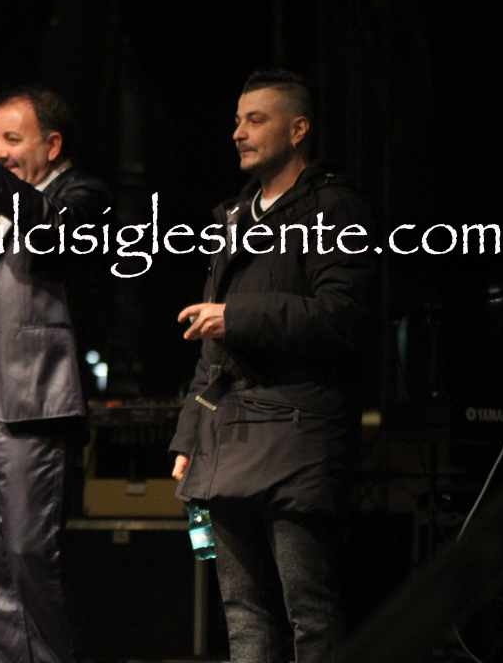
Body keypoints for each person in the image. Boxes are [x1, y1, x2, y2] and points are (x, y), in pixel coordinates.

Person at [168, 69, 375, 663]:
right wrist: (189, 434)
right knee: (243, 613)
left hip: (298, 430)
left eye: (256, 120)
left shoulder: (335, 207)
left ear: (298, 129)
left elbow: (341, 317)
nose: (239, 132)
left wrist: (237, 316)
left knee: (309, 608)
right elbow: (212, 347)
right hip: (228, 436)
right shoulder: (232, 215)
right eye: (237, 121)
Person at [0, 85, 111, 663]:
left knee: (32, 558)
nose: (0, 151)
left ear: (52, 145)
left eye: (13, 139)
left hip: (31, 404)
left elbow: (51, 234)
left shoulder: (80, 195)